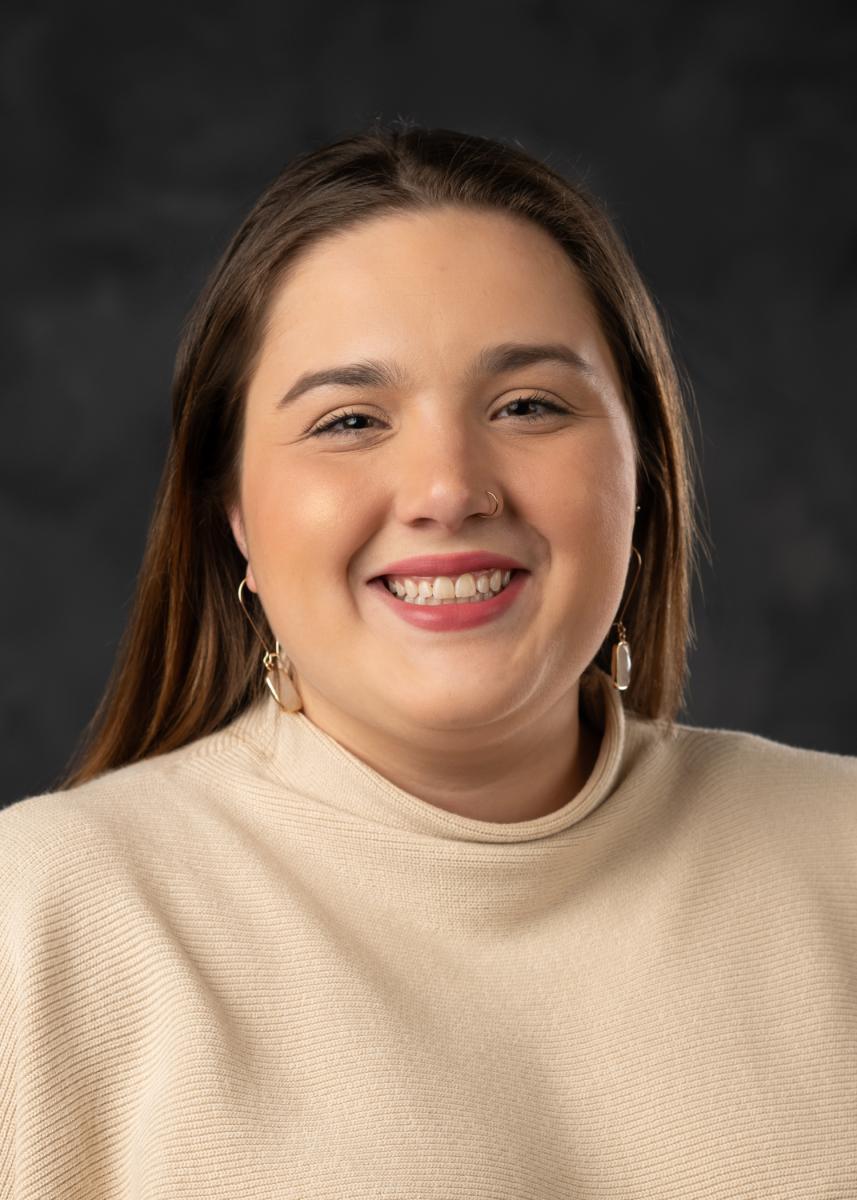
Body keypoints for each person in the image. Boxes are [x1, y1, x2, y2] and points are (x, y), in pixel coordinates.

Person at [1, 121, 855, 1199]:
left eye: (528, 406)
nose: (449, 488)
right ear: (232, 516)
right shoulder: (40, 922)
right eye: (350, 420)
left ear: (642, 472)